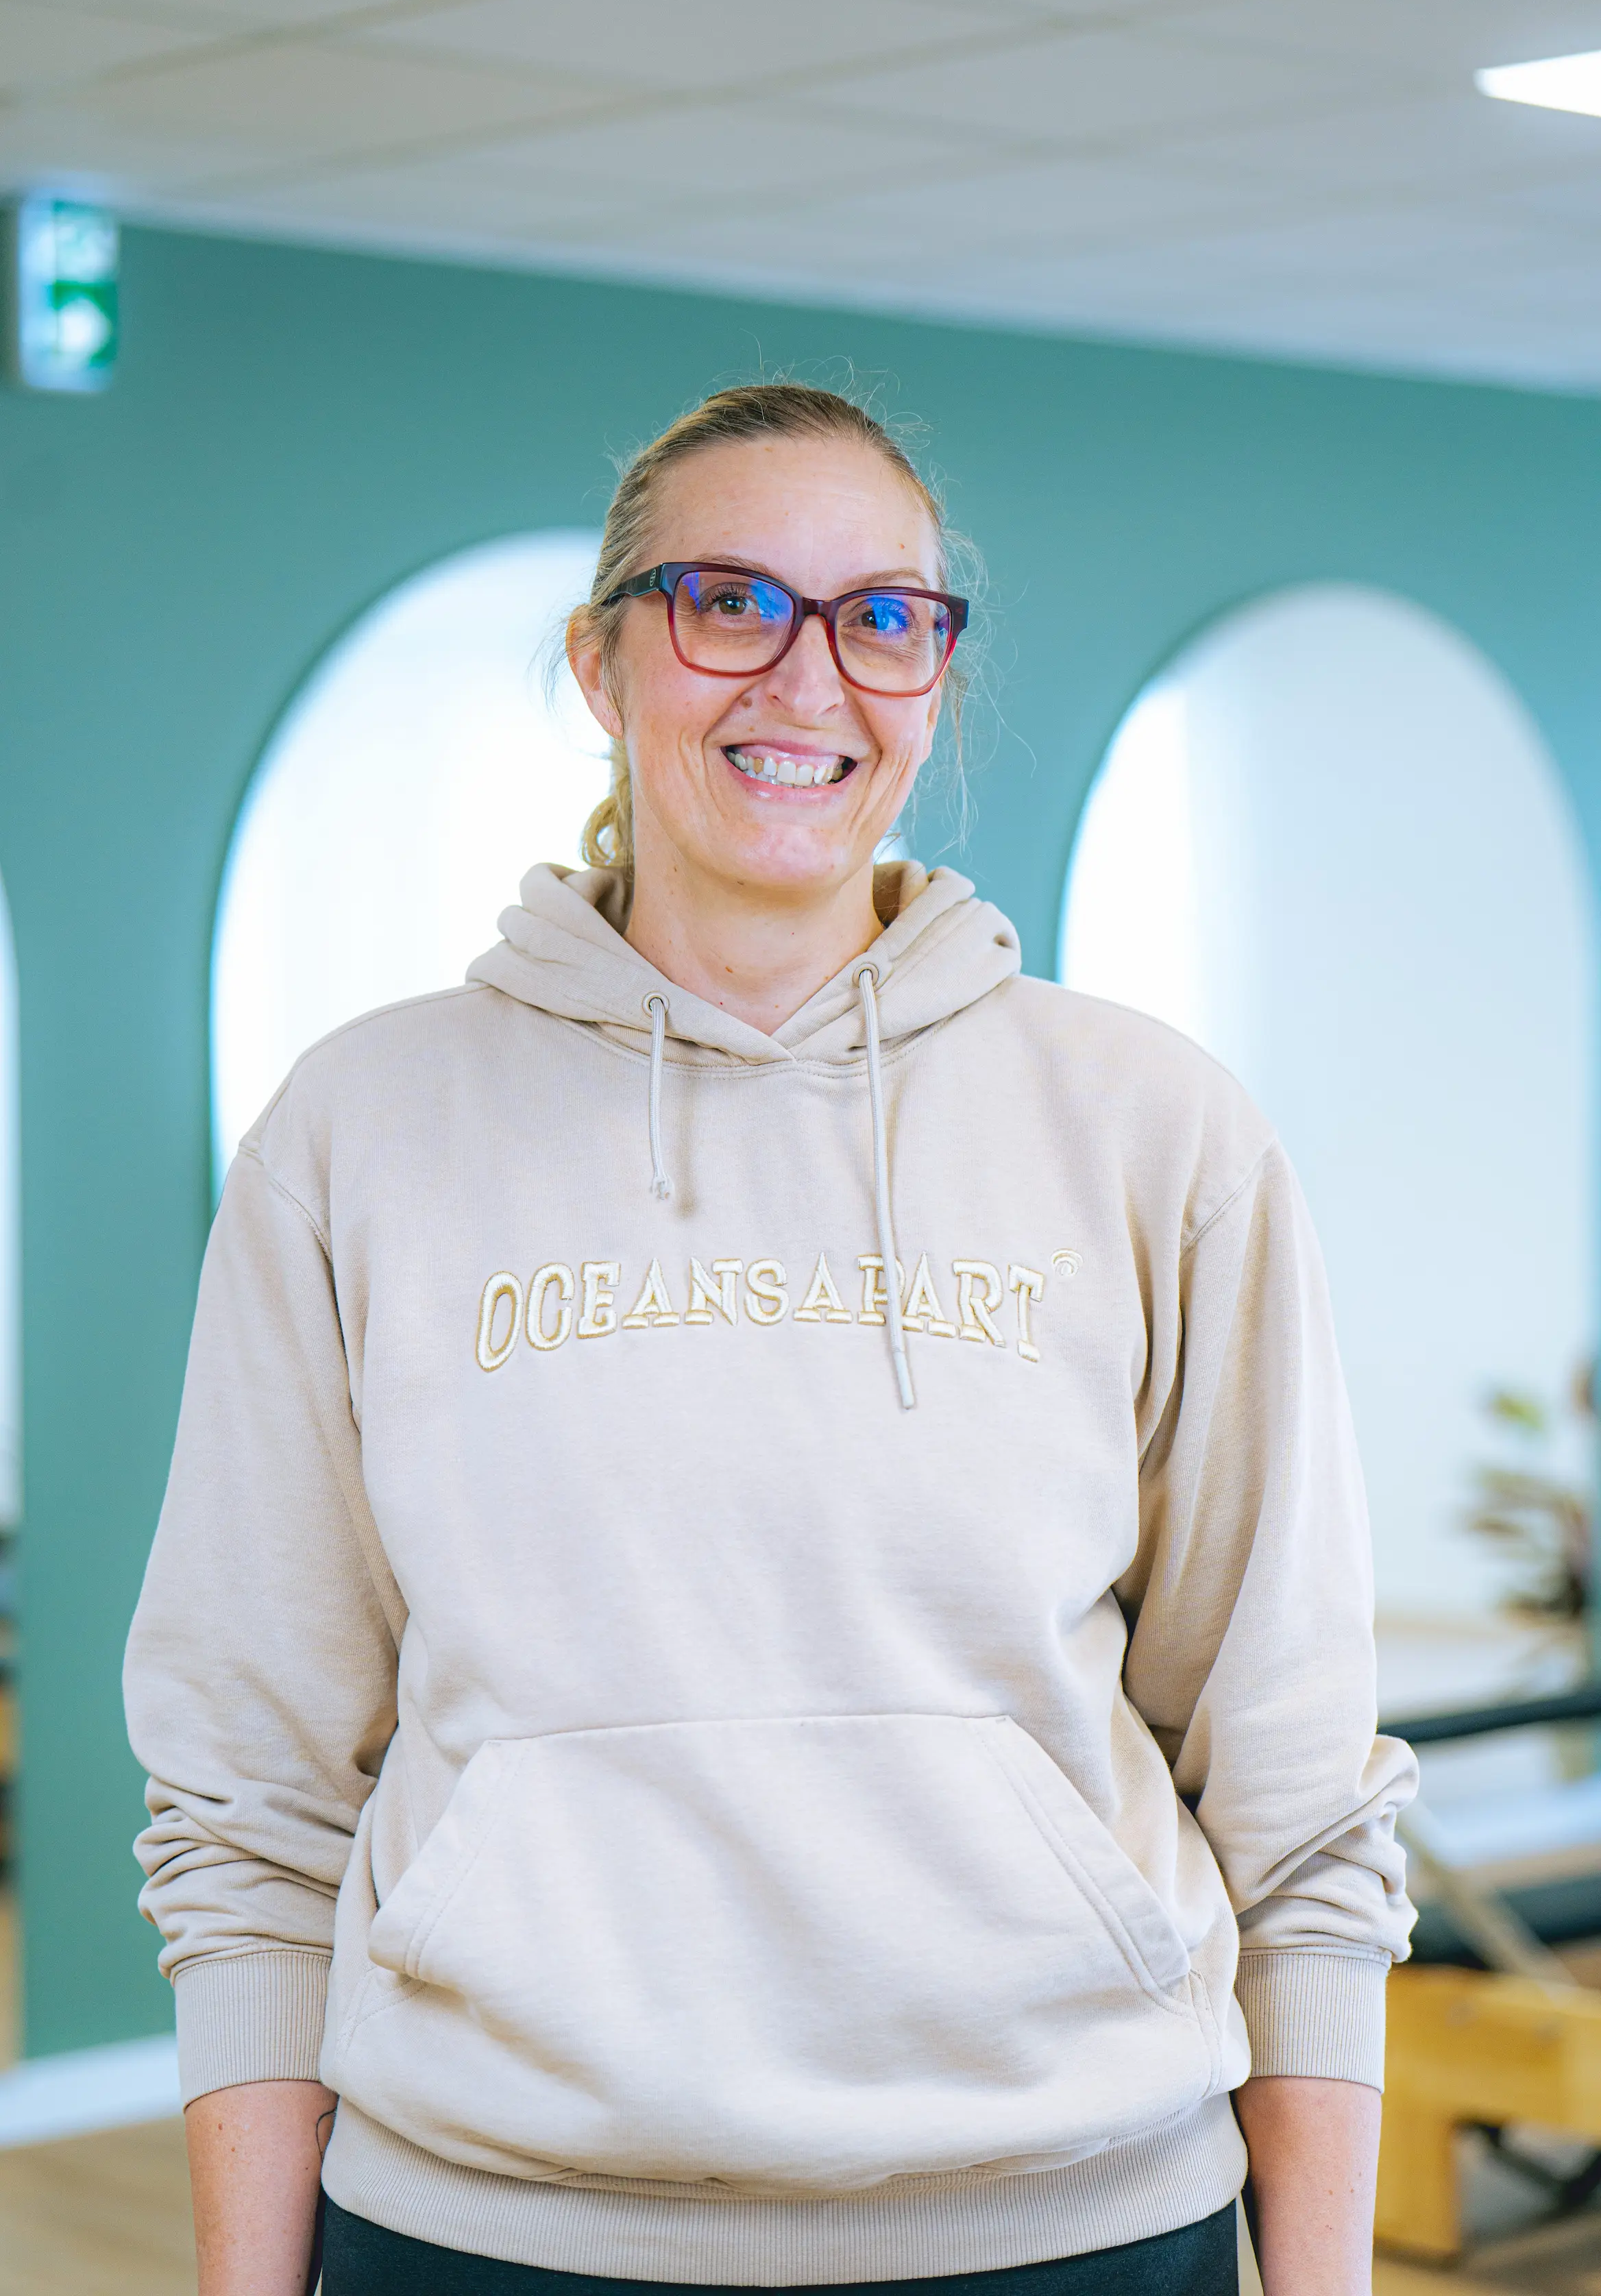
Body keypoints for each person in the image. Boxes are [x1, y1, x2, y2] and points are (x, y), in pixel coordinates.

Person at [125, 382, 1415, 2296]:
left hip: (1070, 2221)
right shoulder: (359, 1134)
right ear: (602, 661)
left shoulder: (1154, 1133)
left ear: (936, 682)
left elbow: (1300, 1795)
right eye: (729, 601)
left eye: (884, 618)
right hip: (494, 2229)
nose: (810, 678)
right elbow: (252, 1800)